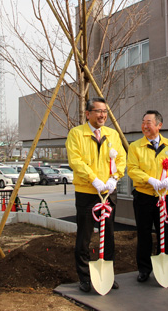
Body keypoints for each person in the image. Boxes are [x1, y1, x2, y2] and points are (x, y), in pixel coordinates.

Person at [65, 97, 126, 293]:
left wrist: (114, 179)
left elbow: (122, 159)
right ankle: (84, 278)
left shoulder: (112, 134)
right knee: (84, 237)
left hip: (108, 192)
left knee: (108, 235)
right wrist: (94, 180)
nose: (102, 115)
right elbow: (76, 161)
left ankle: (107, 275)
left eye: (105, 112)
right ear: (88, 114)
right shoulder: (76, 134)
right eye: (98, 111)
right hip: (87, 192)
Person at [128, 110, 168, 283]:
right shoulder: (135, 146)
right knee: (144, 233)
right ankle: (144, 269)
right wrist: (149, 179)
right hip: (144, 197)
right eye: (143, 122)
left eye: (149, 122)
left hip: (165, 197)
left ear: (159, 125)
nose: (145, 126)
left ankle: (164, 266)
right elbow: (132, 169)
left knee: (164, 233)